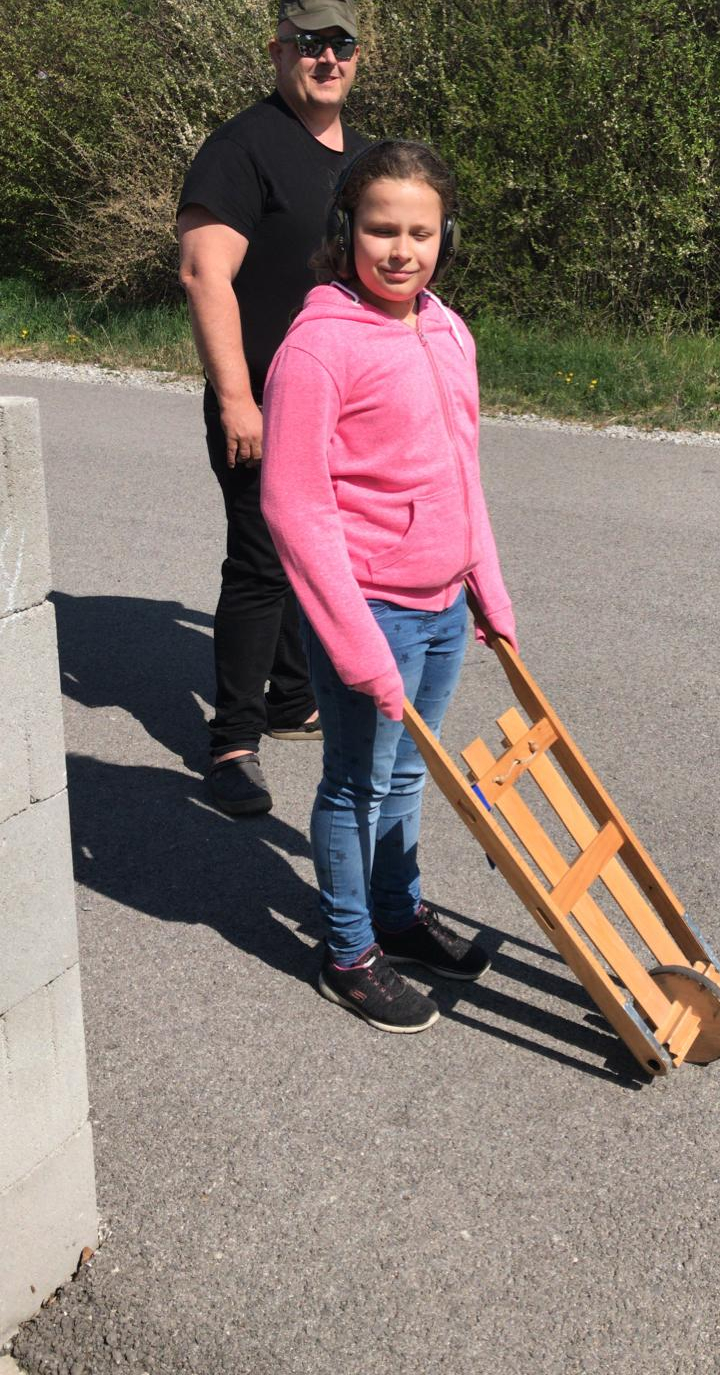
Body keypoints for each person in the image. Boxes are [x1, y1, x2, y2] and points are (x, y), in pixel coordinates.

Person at [261, 140, 517, 1033]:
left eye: (421, 232)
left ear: (446, 237)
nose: (401, 251)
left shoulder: (446, 328)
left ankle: (396, 915)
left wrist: (486, 585)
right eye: (381, 230)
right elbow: (294, 506)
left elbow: (462, 471)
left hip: (442, 602)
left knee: (407, 774)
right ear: (346, 231)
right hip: (369, 608)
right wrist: (356, 644)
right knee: (354, 784)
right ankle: (347, 953)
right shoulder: (318, 347)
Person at [177, 0, 369, 818]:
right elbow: (203, 272)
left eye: (341, 44)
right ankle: (232, 742)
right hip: (261, 398)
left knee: (314, 552)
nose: (327, 57)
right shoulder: (241, 147)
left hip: (340, 403)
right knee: (260, 562)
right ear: (278, 50)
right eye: (309, 42)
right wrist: (235, 399)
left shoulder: (362, 159)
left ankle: (293, 700)